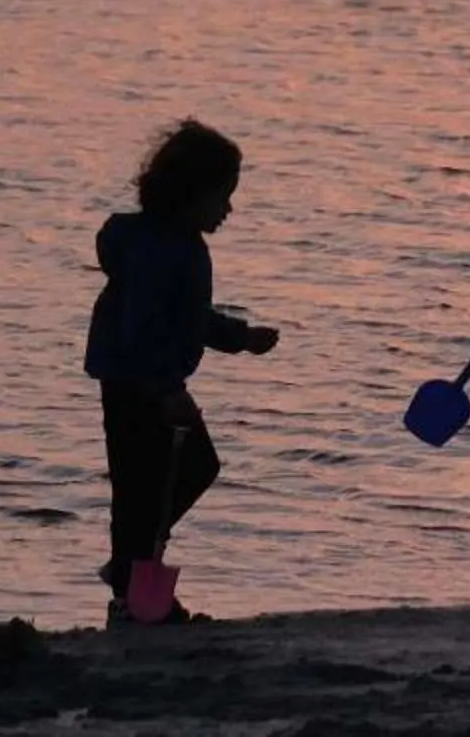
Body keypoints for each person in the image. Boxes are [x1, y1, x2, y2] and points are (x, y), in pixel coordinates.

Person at [83, 119, 279, 624]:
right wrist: (165, 388)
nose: (228, 210)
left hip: (144, 381)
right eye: (222, 197)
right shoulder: (160, 251)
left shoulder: (174, 246)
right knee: (159, 484)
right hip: (141, 385)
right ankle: (138, 593)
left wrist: (240, 338)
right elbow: (142, 326)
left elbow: (187, 318)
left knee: (157, 486)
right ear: (190, 194)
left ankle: (135, 581)